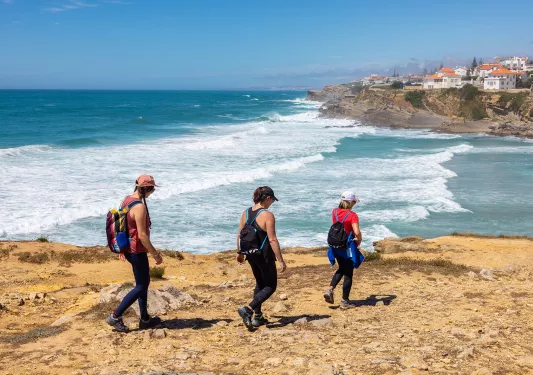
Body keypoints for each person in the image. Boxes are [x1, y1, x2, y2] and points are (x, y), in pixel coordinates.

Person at [106, 174, 164, 332]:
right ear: (148, 189)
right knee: (141, 285)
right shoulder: (139, 207)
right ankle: (115, 315)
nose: (152, 192)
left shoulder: (127, 200)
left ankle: (145, 318)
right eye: (152, 189)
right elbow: (142, 235)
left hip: (129, 249)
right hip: (137, 250)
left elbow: (121, 226)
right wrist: (155, 254)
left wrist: (122, 248)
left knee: (142, 284)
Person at [236, 186, 287, 330]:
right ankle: (248, 309)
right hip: (264, 255)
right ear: (268, 198)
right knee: (270, 286)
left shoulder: (246, 213)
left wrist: (239, 253)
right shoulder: (267, 215)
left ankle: (257, 317)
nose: (272, 204)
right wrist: (281, 260)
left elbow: (240, 234)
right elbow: (272, 240)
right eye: (272, 201)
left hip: (250, 254)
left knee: (259, 284)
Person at [324, 191, 363, 309]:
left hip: (335, 246)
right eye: (354, 202)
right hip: (347, 247)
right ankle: (345, 301)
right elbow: (356, 232)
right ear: (351, 202)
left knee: (341, 268)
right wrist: (359, 240)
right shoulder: (352, 215)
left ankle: (330, 289)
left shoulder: (334, 212)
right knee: (348, 273)